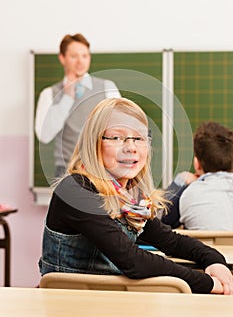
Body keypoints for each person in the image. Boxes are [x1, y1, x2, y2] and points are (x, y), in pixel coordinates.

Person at [39, 98, 233, 294]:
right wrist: (207, 283)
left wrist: (213, 260)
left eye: (139, 138)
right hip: (70, 304)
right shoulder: (74, 190)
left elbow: (171, 241)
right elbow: (133, 261)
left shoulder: (130, 198)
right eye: (116, 138)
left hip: (115, 302)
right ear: (94, 143)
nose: (131, 147)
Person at [35, 33, 120, 177]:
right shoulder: (49, 93)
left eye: (85, 56)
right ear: (62, 58)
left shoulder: (107, 87)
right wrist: (67, 97)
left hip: (102, 170)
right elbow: (44, 135)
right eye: (74, 56)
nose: (80, 61)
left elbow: (121, 129)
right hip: (66, 172)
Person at [162, 121, 233, 230]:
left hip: (204, 247)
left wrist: (179, 183)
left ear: (197, 164)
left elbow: (158, 223)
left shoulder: (190, 192)